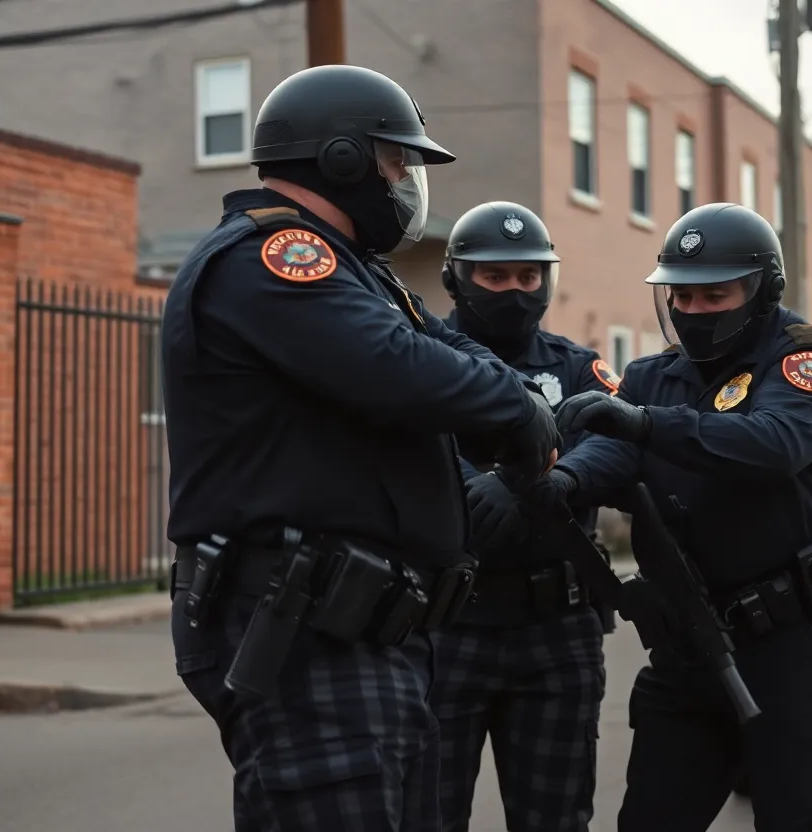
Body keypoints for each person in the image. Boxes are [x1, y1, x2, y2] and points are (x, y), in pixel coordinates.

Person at [160, 65, 561, 832]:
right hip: (305, 630)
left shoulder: (364, 278)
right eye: (397, 161)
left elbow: (459, 360)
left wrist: (504, 406)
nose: (407, 182)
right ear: (340, 159)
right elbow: (408, 371)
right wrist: (514, 409)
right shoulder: (272, 259)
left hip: (370, 632)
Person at [523, 203, 812, 831]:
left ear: (762, 292)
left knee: (800, 820)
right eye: (681, 297)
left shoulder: (805, 367)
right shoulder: (656, 375)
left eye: (716, 295)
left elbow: (772, 446)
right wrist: (566, 478)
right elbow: (613, 445)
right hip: (689, 641)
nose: (695, 311)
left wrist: (649, 424)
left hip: (793, 646)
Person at [428, 201, 621, 832]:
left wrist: (543, 479)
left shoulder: (576, 365)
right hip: (444, 624)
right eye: (495, 277)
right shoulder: (420, 357)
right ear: (457, 278)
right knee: (424, 811)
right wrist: (466, 488)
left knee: (556, 816)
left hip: (556, 630)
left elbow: (616, 440)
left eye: (527, 277)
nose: (514, 291)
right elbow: (395, 439)